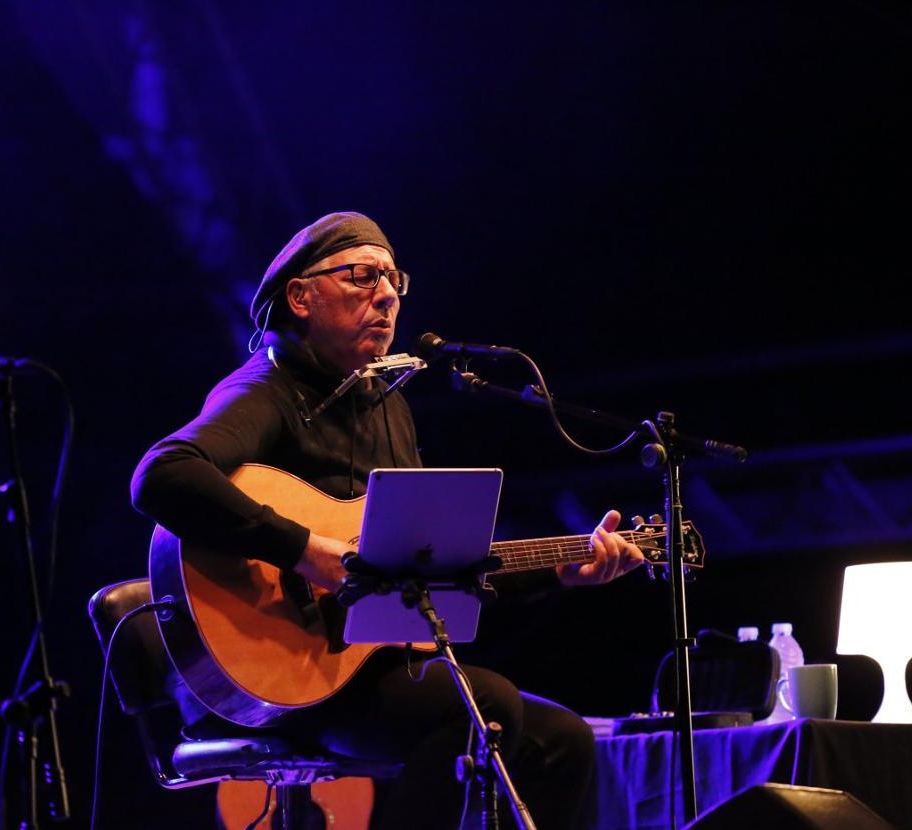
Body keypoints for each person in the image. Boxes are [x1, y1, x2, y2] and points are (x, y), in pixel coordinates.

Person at [131, 211, 646, 829]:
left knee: (564, 738)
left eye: (394, 280)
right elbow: (162, 474)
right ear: (300, 297)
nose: (386, 295)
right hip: (282, 679)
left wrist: (559, 573)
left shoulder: (388, 406)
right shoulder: (265, 390)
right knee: (483, 703)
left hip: (372, 666)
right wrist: (304, 549)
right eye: (360, 276)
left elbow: (425, 569)